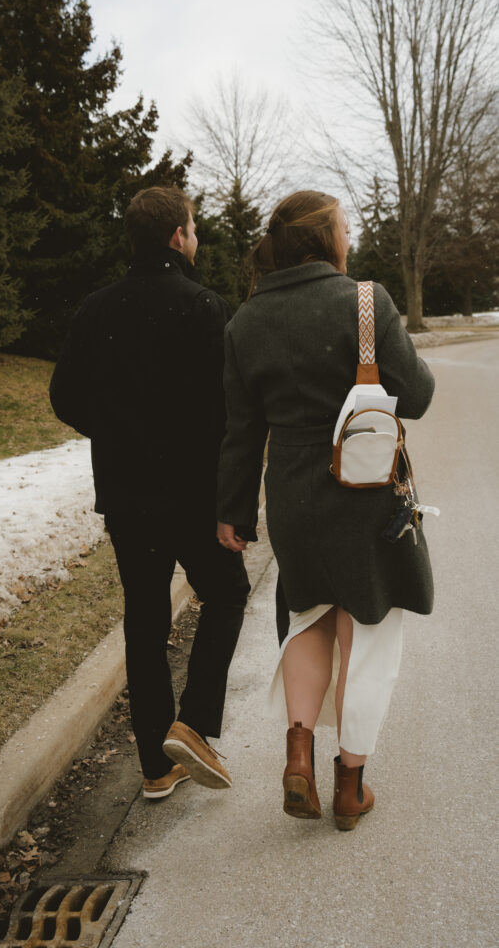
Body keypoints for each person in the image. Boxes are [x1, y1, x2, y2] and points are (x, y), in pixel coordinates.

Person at [216, 190, 434, 830]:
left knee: (307, 614)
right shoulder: (365, 302)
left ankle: (298, 756)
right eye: (344, 224)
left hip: (292, 495)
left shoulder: (244, 322)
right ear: (323, 238)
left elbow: (240, 430)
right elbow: (415, 396)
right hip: (363, 495)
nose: (350, 232)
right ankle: (349, 788)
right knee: (364, 631)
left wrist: (231, 510)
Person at [50, 186, 250, 800]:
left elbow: (64, 397)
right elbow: (225, 411)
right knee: (227, 590)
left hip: (127, 496)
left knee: (145, 618)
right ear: (174, 237)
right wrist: (231, 501)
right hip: (190, 492)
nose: (196, 238)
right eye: (192, 229)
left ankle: (155, 768)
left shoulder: (94, 309)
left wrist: (113, 431)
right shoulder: (202, 307)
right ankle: (192, 724)